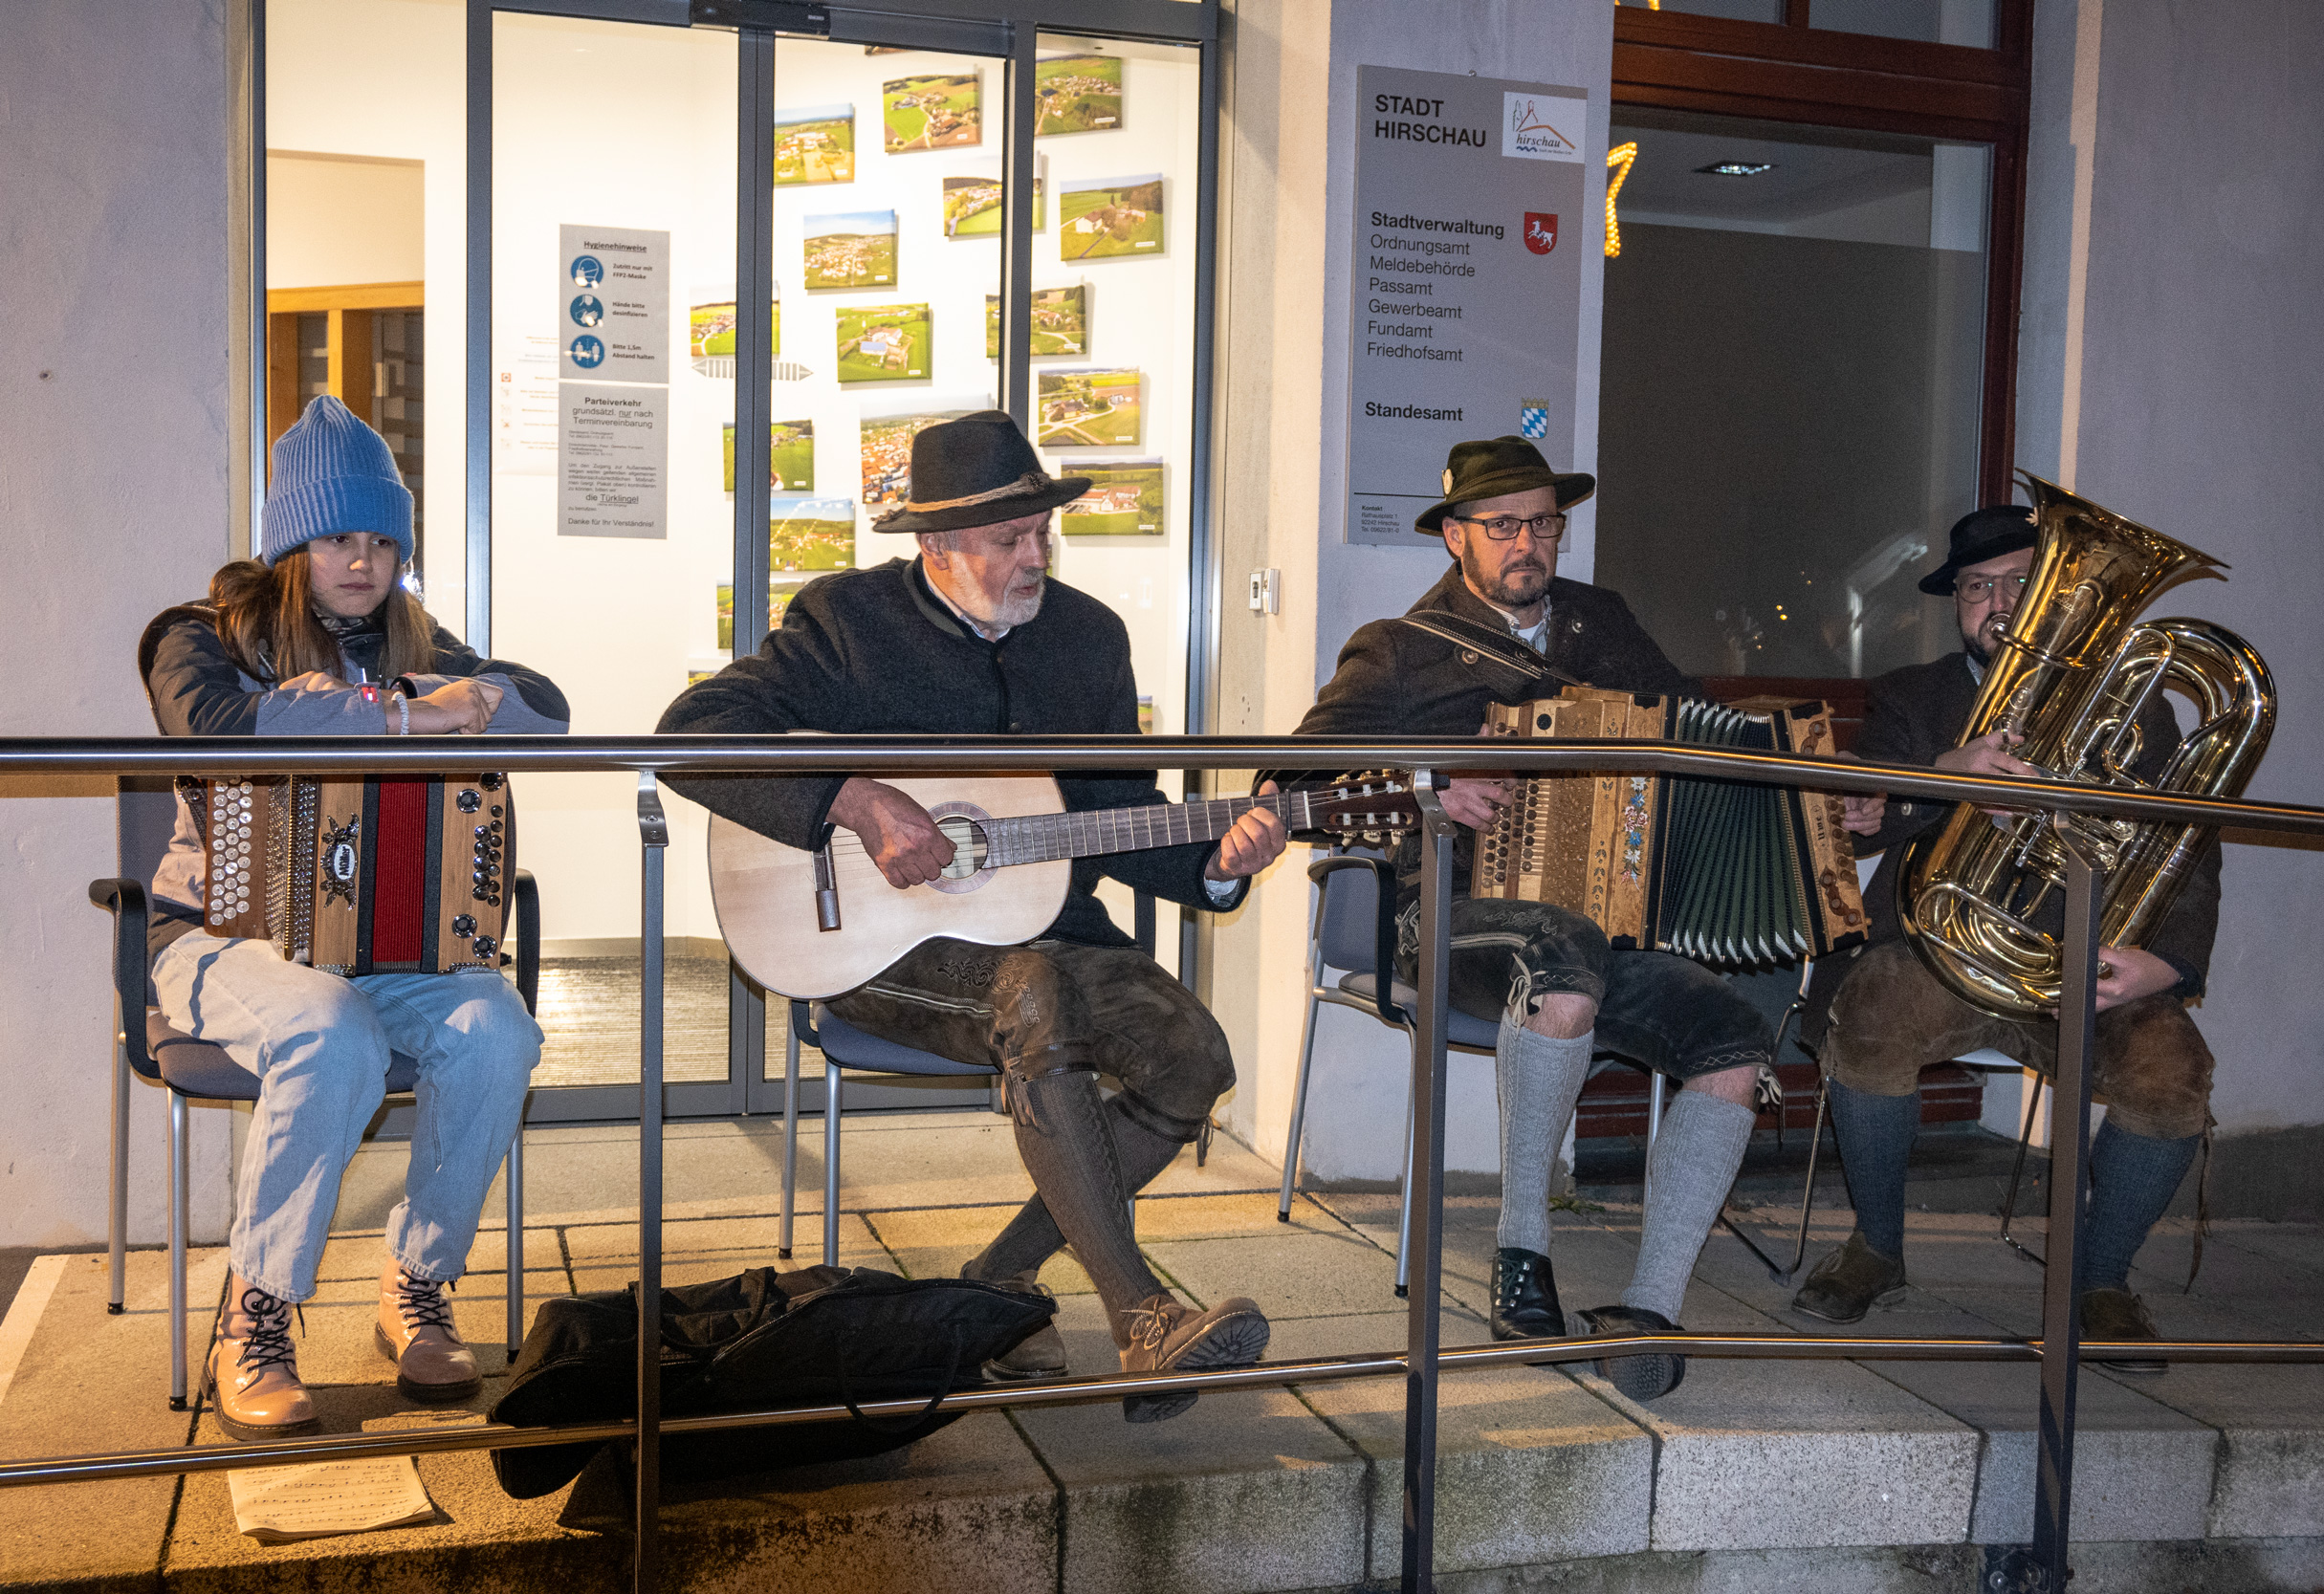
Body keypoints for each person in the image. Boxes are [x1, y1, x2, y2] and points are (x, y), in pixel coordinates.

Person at [656, 411, 1287, 1424]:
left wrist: (1219, 862)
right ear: (936, 546)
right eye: (1007, 540)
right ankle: (1140, 1312)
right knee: (1030, 995)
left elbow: (1112, 816)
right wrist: (854, 802)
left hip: (1049, 924)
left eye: (1041, 531)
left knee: (1193, 1053)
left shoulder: (1089, 639)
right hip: (874, 944)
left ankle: (997, 1279)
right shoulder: (846, 622)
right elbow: (692, 737)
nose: (1035, 555)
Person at [1290, 437, 1877, 1402]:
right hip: (1441, 912)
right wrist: (1426, 783)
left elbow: (1699, 736)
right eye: (1504, 524)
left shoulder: (1601, 621)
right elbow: (1298, 772)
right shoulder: (1396, 647)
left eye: (1545, 522)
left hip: (1598, 927)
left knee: (1732, 1037)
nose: (1529, 542)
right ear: (1454, 536)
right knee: (1558, 956)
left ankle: (1648, 1305)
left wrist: (1822, 802)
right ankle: (1522, 1246)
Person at [142, 396, 569, 1441]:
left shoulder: (411, 637)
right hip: (217, 938)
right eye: (341, 535)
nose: (364, 560)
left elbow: (548, 709)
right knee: (326, 1031)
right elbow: (220, 725)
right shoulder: (198, 636)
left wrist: (437, 688)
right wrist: (400, 714)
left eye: (384, 539)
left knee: (497, 1028)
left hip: (388, 949)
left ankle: (415, 1283)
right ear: (294, 538)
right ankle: (255, 1317)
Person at [1791, 505, 2222, 1366]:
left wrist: (2165, 961)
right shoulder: (1914, 697)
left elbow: (2187, 846)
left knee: (2176, 1074)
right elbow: (1857, 825)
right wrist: (1944, 775)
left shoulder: (2136, 709)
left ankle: (2100, 1280)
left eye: (2021, 583)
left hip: (2080, 963)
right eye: (1976, 587)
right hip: (1935, 951)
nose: (1996, 602)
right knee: (1869, 1021)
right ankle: (1876, 1247)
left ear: (2061, 597)